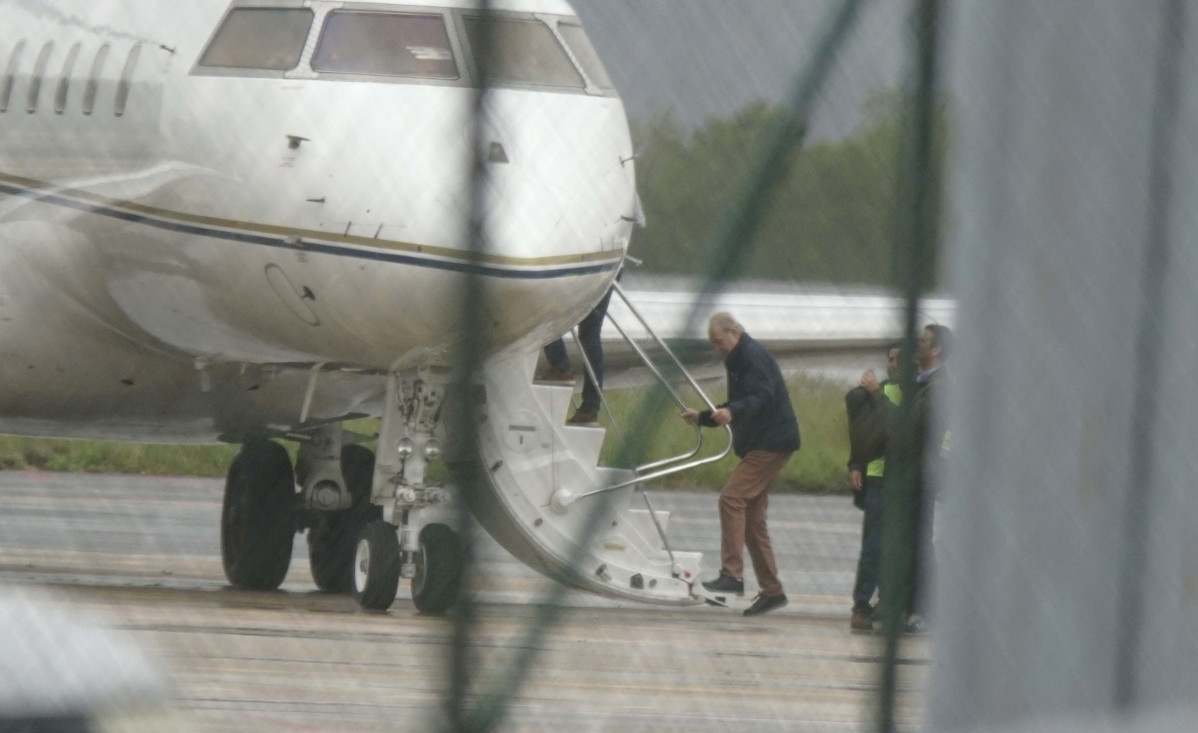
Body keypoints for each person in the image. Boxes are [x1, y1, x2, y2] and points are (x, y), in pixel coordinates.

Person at [681, 313, 800, 616]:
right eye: (713, 343)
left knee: (731, 500)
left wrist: (732, 411)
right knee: (752, 520)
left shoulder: (751, 355)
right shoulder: (740, 356)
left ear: (733, 332)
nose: (717, 348)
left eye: (718, 341)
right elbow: (745, 401)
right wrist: (705, 417)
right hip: (768, 442)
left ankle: (731, 576)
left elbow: (763, 396)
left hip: (771, 443)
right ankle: (772, 591)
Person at [862, 324, 951, 633]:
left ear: (937, 349)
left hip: (921, 475)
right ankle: (908, 607)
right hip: (911, 474)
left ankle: (924, 610)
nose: (917, 345)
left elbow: (908, 429)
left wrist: (878, 396)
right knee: (910, 542)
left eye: (923, 342)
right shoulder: (921, 384)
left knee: (919, 544)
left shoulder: (938, 387)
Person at [846, 342, 902, 632]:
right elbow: (864, 432)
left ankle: (890, 601)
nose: (892, 365)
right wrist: (856, 463)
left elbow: (901, 423)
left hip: (906, 479)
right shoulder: (879, 392)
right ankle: (861, 604)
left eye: (898, 360)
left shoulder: (917, 391)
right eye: (890, 359)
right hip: (879, 477)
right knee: (873, 545)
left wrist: (875, 393)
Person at [538, 285, 615, 425]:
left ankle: (560, 367)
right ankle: (590, 408)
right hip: (607, 271)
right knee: (590, 335)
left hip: (589, 274)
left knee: (544, 312)